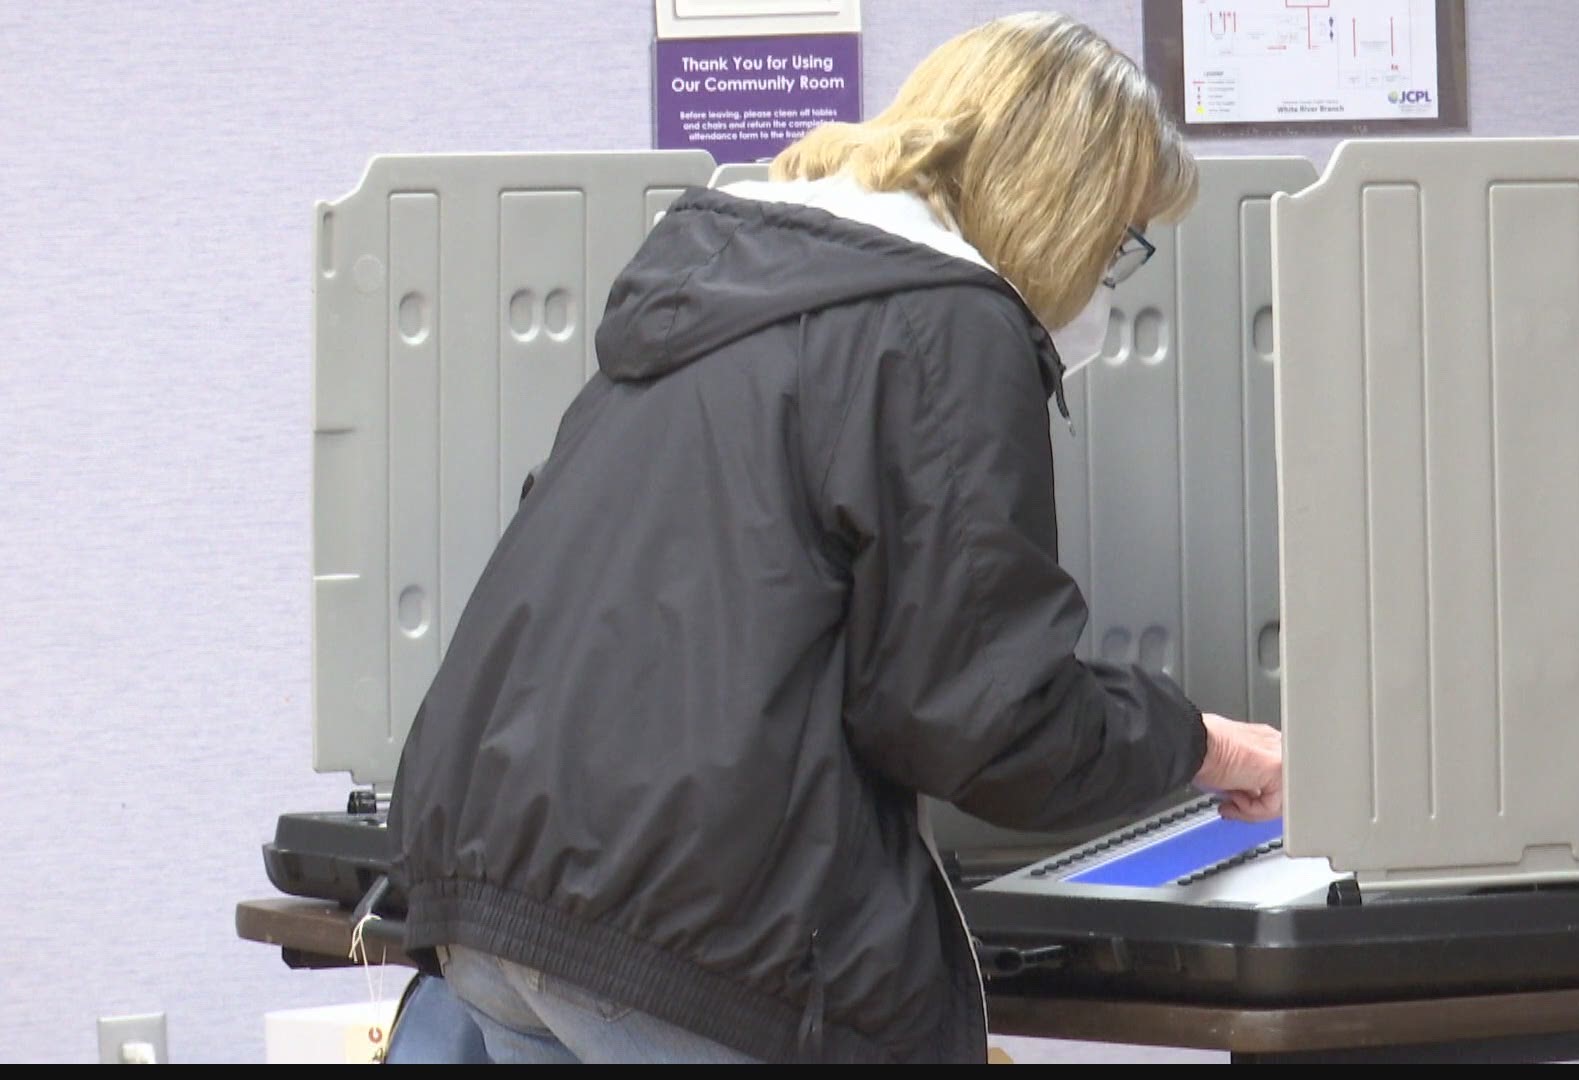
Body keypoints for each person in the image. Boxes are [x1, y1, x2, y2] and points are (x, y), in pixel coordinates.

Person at [386, 10, 1286, 1065]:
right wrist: (1205, 744)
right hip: (695, 948)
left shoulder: (722, 289)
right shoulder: (944, 325)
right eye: (1123, 238)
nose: (1107, 277)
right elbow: (988, 720)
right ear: (1067, 202)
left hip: (499, 914)